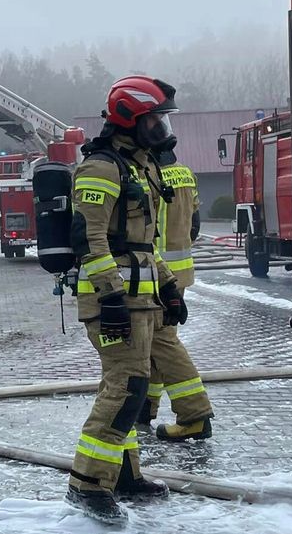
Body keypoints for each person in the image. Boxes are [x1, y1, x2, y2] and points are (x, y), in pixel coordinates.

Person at [65, 76, 189, 524]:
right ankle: (86, 484)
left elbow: (145, 246)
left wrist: (169, 286)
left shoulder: (140, 167)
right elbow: (89, 238)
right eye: (153, 118)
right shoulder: (101, 168)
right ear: (128, 119)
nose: (160, 127)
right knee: (126, 388)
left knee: (131, 393)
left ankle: (123, 475)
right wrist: (111, 297)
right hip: (115, 304)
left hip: (143, 302)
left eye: (161, 118)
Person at [139, 148, 215, 441]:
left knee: (161, 340)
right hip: (178, 271)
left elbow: (143, 230)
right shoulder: (185, 173)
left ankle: (194, 414)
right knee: (155, 341)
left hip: (157, 273)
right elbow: (194, 224)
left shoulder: (150, 177)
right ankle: (146, 406)